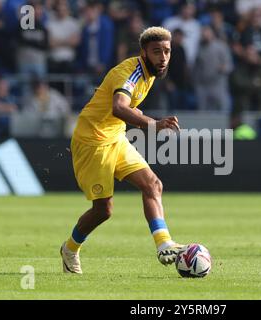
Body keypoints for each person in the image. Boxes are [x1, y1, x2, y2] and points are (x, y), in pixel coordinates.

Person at [60, 27, 185, 274]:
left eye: (167, 51)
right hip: (92, 142)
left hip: (115, 136)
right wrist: (153, 124)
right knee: (103, 211)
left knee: (153, 184)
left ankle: (163, 244)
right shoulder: (130, 72)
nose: (163, 57)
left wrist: (140, 116)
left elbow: (123, 107)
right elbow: (118, 107)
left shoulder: (150, 75)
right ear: (144, 53)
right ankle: (70, 249)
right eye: (157, 51)